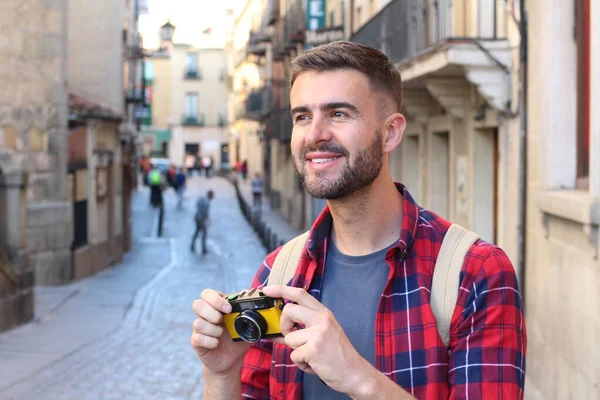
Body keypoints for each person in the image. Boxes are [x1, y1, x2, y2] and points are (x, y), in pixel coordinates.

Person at [190, 42, 526, 399]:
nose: (315, 134)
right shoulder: (280, 271)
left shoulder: (474, 272)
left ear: (391, 133)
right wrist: (221, 375)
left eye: (338, 114)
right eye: (302, 116)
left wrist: (358, 377)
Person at [191, 190, 214, 255]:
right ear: (210, 195)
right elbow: (205, 213)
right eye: (212, 195)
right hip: (200, 219)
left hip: (197, 216)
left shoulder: (202, 198)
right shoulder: (207, 202)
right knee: (204, 233)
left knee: (197, 231)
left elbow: (197, 204)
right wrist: (207, 221)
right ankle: (203, 248)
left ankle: (192, 245)